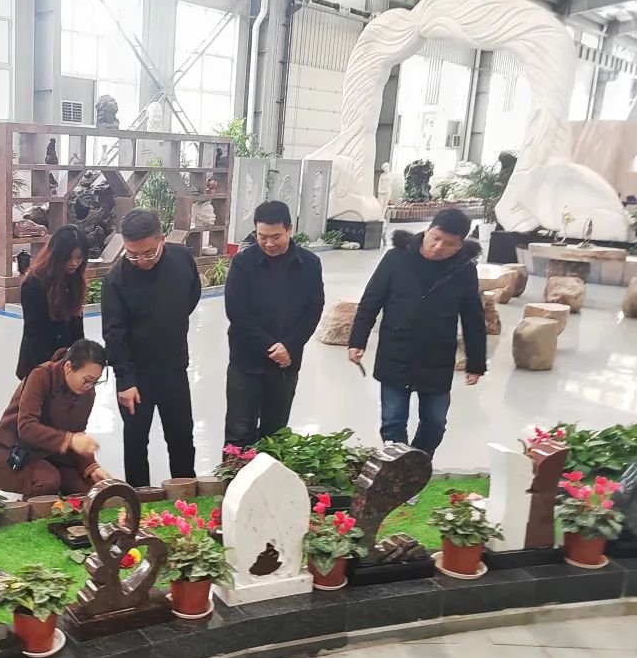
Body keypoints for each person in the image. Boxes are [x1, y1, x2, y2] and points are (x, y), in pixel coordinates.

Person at [348, 209, 486, 458]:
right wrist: (357, 340)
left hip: (437, 356)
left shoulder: (464, 269)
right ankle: (399, 468)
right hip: (396, 351)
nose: (438, 247)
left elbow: (473, 317)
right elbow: (371, 300)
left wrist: (475, 363)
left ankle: (419, 463)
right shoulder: (396, 258)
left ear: (460, 244)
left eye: (449, 244)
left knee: (435, 423)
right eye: (435, 238)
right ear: (428, 230)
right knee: (393, 422)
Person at [102, 209, 201, 487]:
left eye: (148, 253)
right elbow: (114, 334)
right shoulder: (116, 280)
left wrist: (169, 323)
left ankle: (185, 494)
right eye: (132, 254)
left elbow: (191, 295)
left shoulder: (182, 258)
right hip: (136, 375)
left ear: (162, 239)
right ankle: (139, 498)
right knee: (136, 441)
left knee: (181, 436)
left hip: (174, 368)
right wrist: (125, 379)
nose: (140, 261)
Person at [224, 201, 324, 448]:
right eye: (262, 236)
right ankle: (236, 473)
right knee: (239, 432)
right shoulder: (243, 263)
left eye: (275, 236)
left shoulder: (309, 264)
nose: (269, 243)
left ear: (289, 229)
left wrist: (289, 346)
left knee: (275, 433)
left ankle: (270, 473)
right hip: (246, 362)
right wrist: (271, 347)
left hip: (285, 364)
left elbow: (313, 310)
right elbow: (237, 312)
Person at [0, 339, 111, 497]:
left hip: (53, 453)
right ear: (68, 367)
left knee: (89, 489)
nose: (89, 386)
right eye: (87, 380)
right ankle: (31, 507)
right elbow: (26, 427)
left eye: (95, 382)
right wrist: (69, 440)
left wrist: (92, 467)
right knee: (48, 480)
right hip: (14, 452)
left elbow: (78, 435)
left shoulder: (87, 393)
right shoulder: (41, 376)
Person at [16, 224, 87, 380]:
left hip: (67, 361)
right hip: (40, 364)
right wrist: (50, 371)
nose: (74, 263)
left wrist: (80, 359)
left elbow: (77, 325)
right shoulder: (35, 283)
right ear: (56, 255)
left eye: (79, 258)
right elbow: (34, 332)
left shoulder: (74, 278)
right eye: (69, 257)